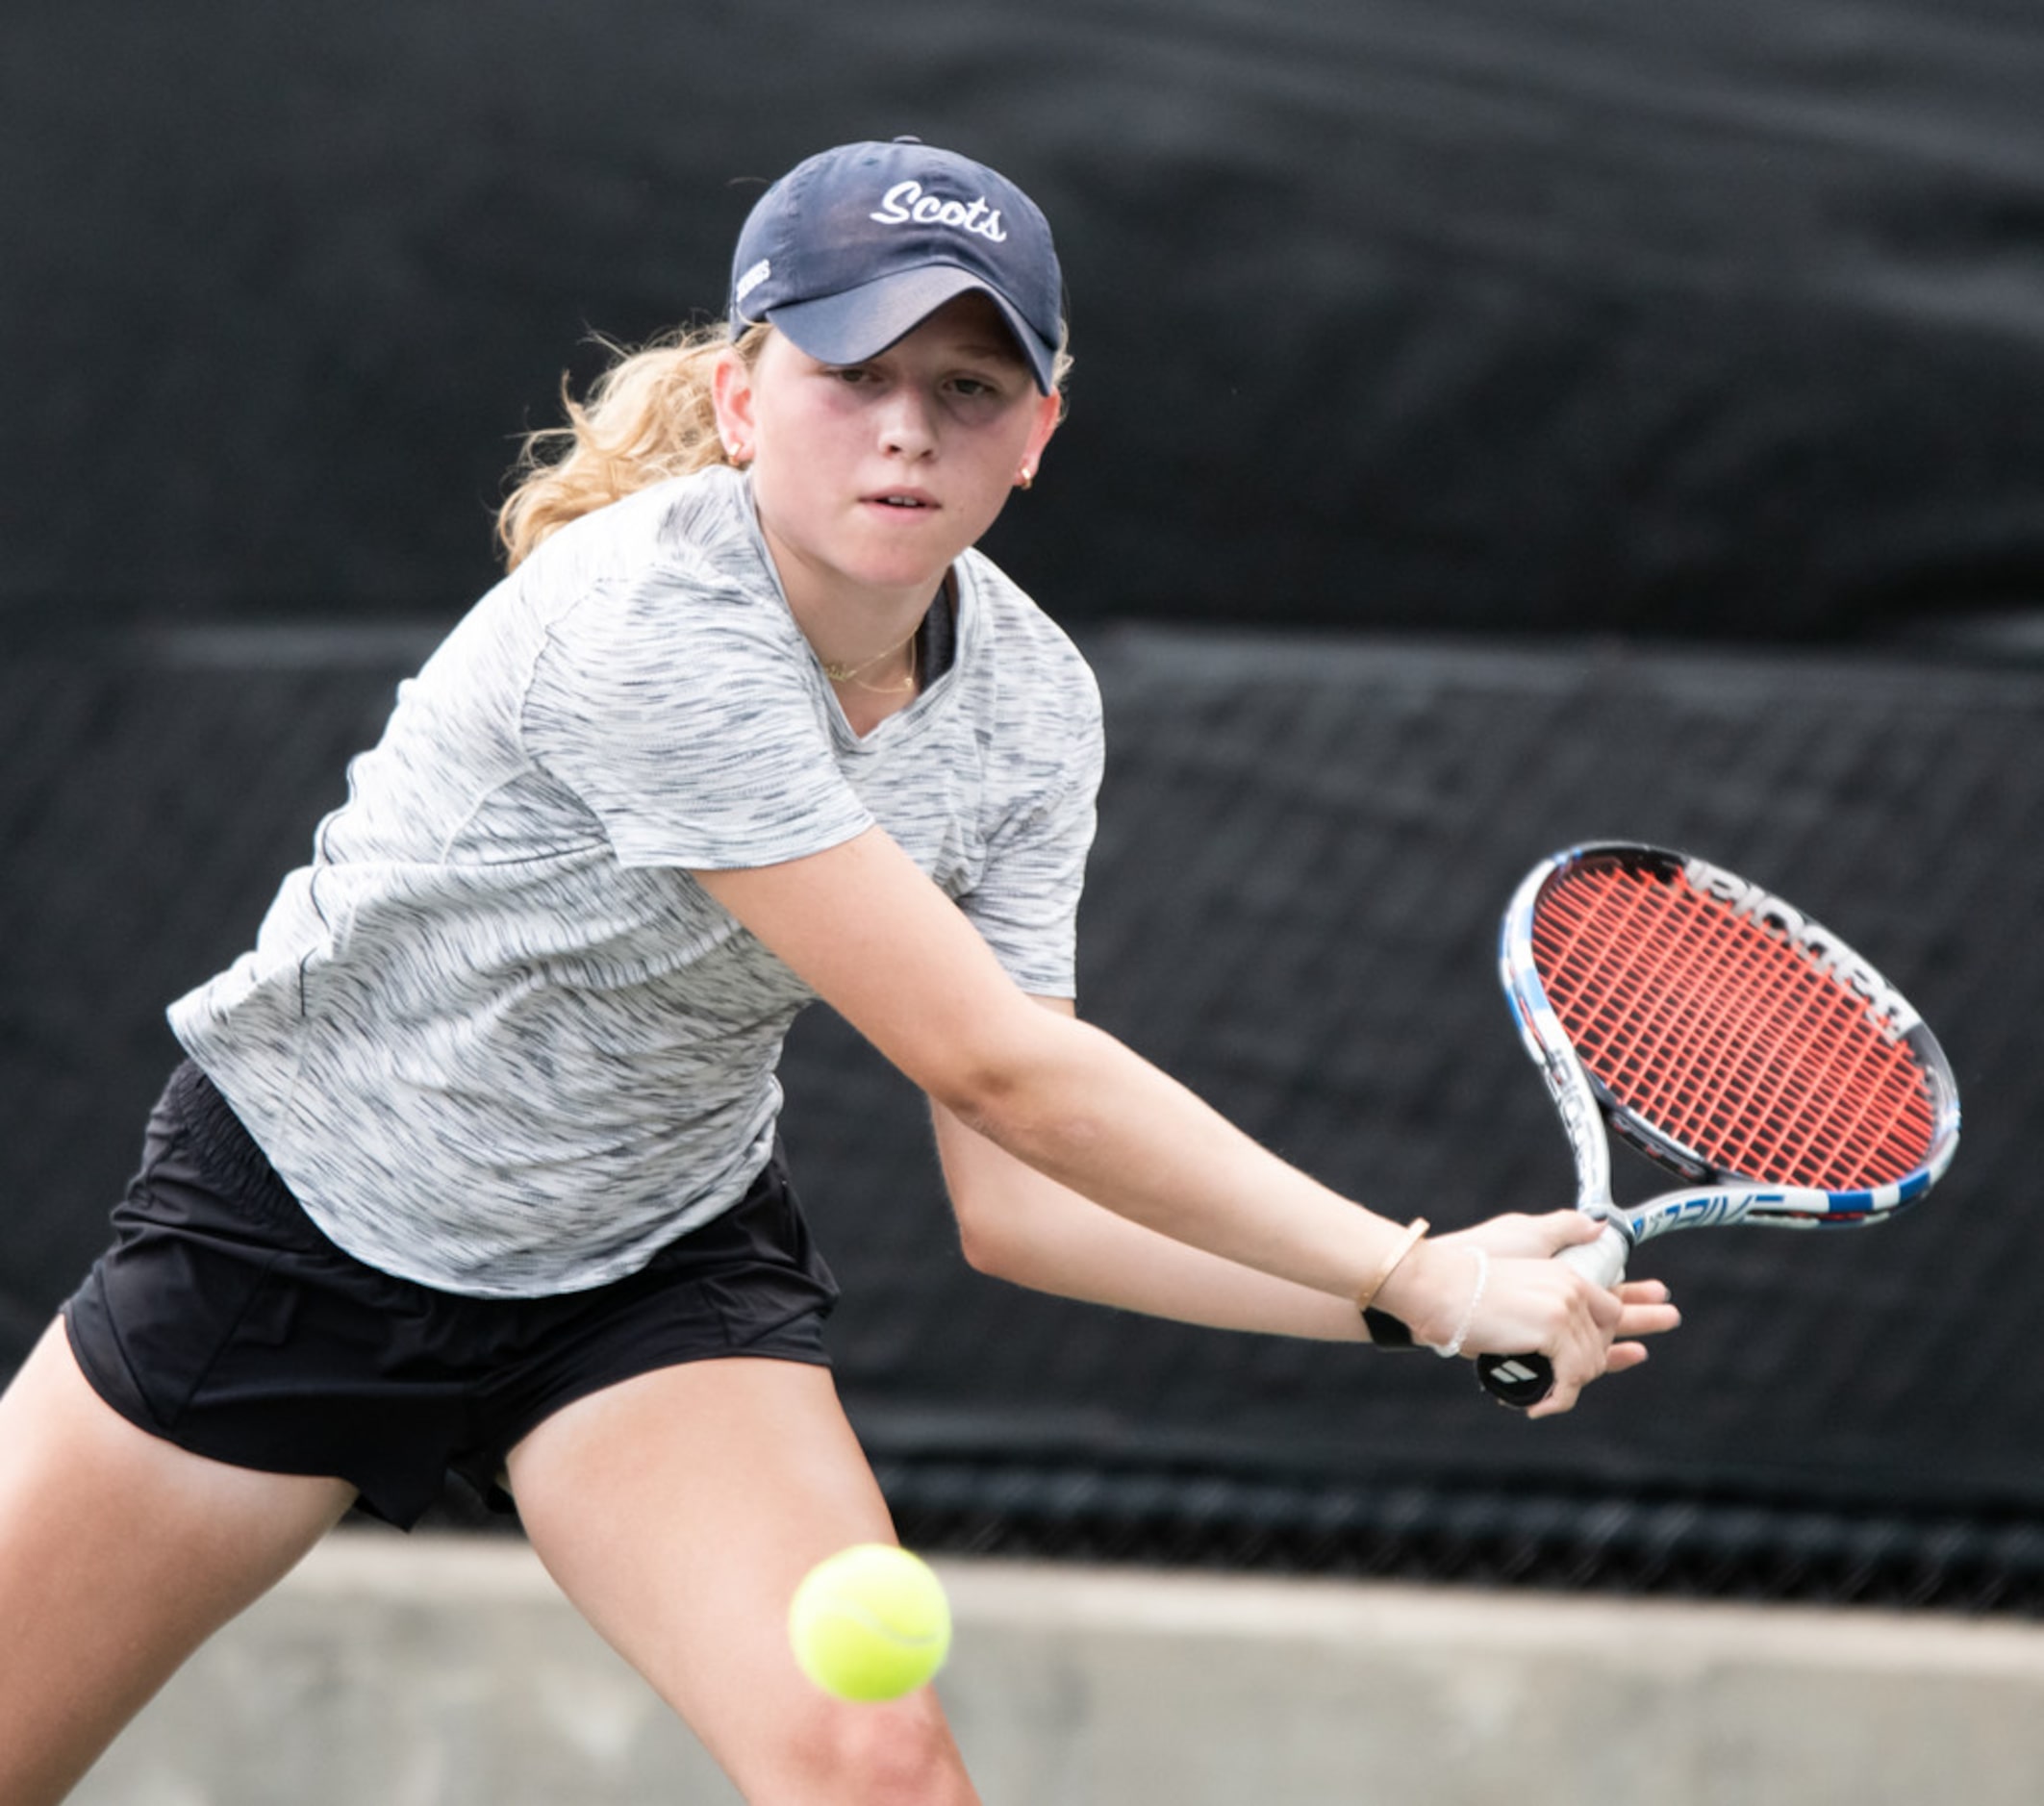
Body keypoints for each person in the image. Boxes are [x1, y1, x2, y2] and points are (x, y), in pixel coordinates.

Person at [0, 138, 1678, 1805]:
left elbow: (1020, 1200)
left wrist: (1406, 1299)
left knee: (873, 1759)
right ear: (741, 398)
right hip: (291, 1233)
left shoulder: (1030, 704)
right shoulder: (648, 621)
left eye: (967, 385)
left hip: (638, 1277)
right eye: (849, 371)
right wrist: (1425, 1269)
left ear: (1039, 437)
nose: (904, 427)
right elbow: (996, 1066)